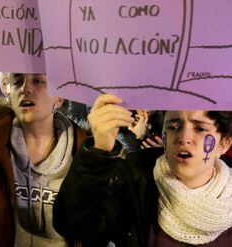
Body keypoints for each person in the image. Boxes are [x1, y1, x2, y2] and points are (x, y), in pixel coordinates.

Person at [53, 94, 232, 246]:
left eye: (200, 128)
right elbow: (74, 226)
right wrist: (99, 149)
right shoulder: (134, 177)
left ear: (224, 144)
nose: (183, 137)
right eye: (173, 127)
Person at [0, 73, 88, 246]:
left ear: (59, 97)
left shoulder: (84, 153)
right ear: (9, 93)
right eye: (17, 81)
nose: (25, 89)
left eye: (38, 81)